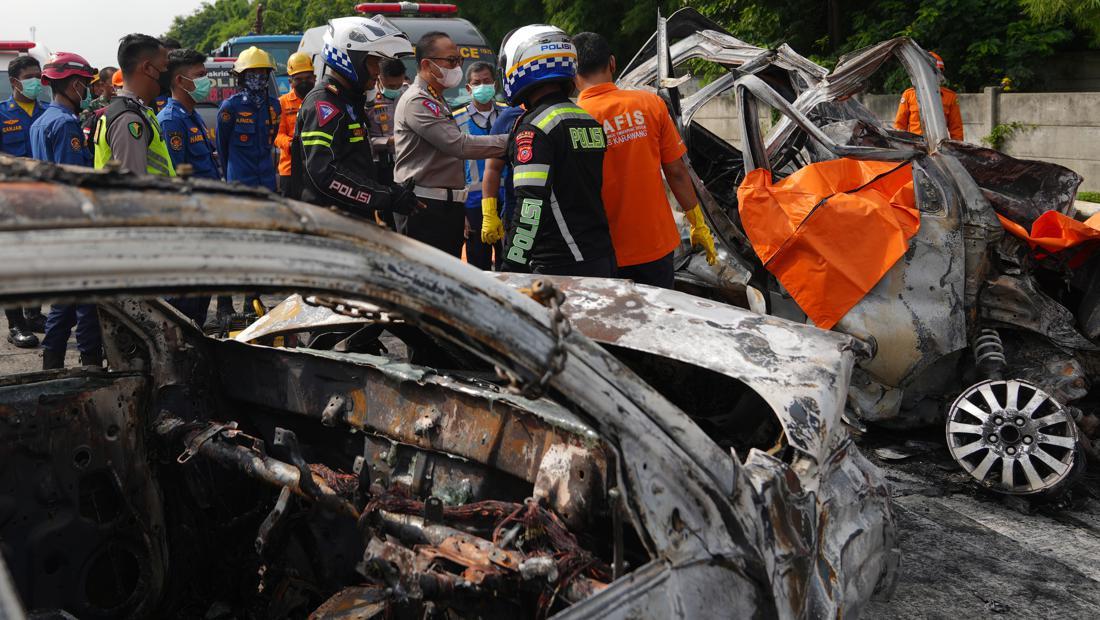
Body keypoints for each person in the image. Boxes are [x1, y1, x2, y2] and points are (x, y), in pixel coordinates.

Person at [573, 32, 717, 289]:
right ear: (613, 63)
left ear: (573, 72)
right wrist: (697, 223)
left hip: (600, 251)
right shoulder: (650, 104)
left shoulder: (569, 119)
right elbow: (676, 171)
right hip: (655, 246)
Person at [491, 25, 614, 276]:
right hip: (600, 254)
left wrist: (511, 266)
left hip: (560, 265)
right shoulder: (585, 119)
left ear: (520, 65)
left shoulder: (534, 128)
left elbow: (530, 207)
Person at [288, 16, 420, 219]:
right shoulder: (324, 104)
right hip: (327, 223)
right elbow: (324, 174)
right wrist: (384, 197)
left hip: (350, 219)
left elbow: (355, 163)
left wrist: (391, 186)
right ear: (350, 58)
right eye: (373, 62)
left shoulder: (348, 101)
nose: (378, 71)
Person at [393, 32, 507, 257]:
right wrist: (513, 140)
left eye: (459, 60)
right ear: (427, 64)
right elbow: (458, 145)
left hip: (443, 207)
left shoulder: (436, 98)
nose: (457, 67)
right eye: (452, 61)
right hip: (424, 208)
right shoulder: (418, 100)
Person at [29, 52, 102, 369]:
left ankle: (52, 362)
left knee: (65, 299)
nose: (87, 91)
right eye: (85, 84)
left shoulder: (41, 121)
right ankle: (90, 364)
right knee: (86, 303)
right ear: (74, 85)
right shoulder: (65, 125)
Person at [158, 48, 221, 327]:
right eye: (200, 76)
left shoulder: (192, 115)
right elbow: (176, 179)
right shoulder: (172, 120)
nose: (207, 82)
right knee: (183, 306)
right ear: (180, 81)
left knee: (201, 298)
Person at [0, 54, 47, 348]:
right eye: (30, 77)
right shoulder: (2, 114)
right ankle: (15, 324)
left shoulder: (46, 112)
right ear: (14, 81)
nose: (36, 82)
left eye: (39, 76)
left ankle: (33, 314)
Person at [452, 61, 510, 269]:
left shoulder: (509, 114)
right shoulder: (455, 119)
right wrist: (461, 214)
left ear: (494, 84)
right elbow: (453, 167)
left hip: (508, 200)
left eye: (486, 81)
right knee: (478, 265)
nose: (482, 87)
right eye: (477, 83)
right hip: (473, 205)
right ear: (468, 88)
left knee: (510, 262)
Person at [93, 33, 175, 177]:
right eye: (165, 66)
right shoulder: (129, 120)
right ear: (148, 68)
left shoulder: (136, 111)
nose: (168, 73)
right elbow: (134, 190)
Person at [217, 46, 280, 192]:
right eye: (253, 72)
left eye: (262, 71)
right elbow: (222, 148)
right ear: (242, 75)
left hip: (267, 183)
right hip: (240, 183)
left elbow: (272, 140)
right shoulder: (230, 106)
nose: (258, 76)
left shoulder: (275, 106)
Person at [480, 103, 525, 270]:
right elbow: (492, 168)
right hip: (517, 213)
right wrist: (489, 213)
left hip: (560, 212)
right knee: (516, 272)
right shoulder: (510, 117)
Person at [894, 51, 964, 141]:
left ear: (940, 73)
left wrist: (956, 151)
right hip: (915, 146)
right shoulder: (909, 95)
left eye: (936, 72)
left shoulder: (950, 97)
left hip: (939, 147)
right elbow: (899, 126)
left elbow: (956, 129)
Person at [275, 51, 314, 194]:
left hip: (315, 167)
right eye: (299, 78)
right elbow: (277, 136)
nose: (304, 82)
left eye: (308, 77)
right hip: (289, 168)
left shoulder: (321, 101)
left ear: (314, 78)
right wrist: (293, 145)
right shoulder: (282, 103)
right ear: (290, 81)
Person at [367, 58, 408, 188]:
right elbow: (363, 140)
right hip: (382, 165)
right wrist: (388, 141)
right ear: (379, 77)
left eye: (399, 85)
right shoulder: (368, 100)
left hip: (408, 164)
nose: (395, 89)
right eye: (391, 86)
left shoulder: (410, 94)